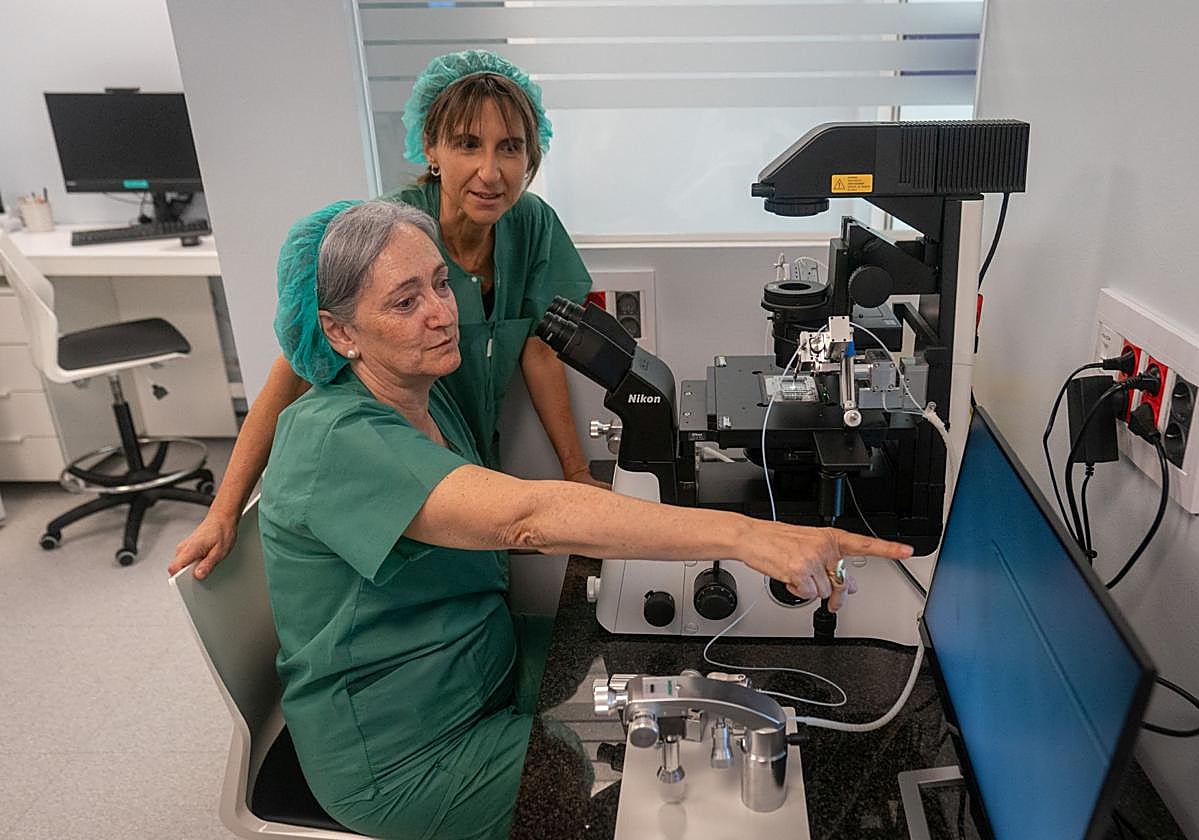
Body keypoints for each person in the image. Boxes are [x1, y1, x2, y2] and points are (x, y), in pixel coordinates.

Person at [259, 197, 914, 839]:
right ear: (340, 331)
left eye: (439, 284)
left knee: (650, 658)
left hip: (476, 658)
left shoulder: (419, 394)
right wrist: (748, 536)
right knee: (569, 774)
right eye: (405, 302)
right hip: (398, 748)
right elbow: (527, 518)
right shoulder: (336, 438)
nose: (440, 314)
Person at [170, 49, 599, 580]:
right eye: (468, 144)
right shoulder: (390, 235)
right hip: (393, 464)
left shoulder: (530, 224)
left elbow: (538, 348)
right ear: (432, 147)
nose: (490, 171)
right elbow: (292, 375)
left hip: (471, 457)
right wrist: (223, 512)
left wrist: (577, 471)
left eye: (509, 147)